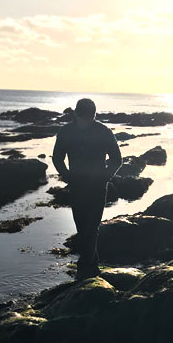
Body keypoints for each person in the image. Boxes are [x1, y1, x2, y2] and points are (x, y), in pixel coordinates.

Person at [52, 98, 122, 279]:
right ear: (76, 114)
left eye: (90, 118)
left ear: (94, 115)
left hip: (98, 187)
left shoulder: (103, 132)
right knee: (83, 228)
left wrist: (105, 178)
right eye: (84, 118)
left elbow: (117, 159)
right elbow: (57, 158)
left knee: (92, 227)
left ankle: (84, 268)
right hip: (77, 186)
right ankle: (93, 265)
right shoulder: (66, 132)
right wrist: (67, 176)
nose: (86, 122)